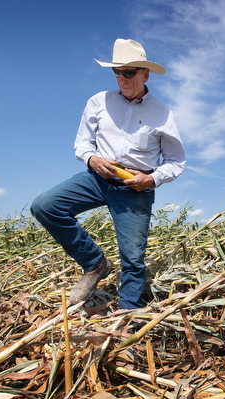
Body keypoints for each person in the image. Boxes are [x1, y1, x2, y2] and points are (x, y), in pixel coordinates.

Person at [31, 39, 185, 310]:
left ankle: (127, 316)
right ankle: (94, 264)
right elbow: (82, 143)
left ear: (145, 74)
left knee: (133, 260)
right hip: (97, 178)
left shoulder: (162, 113)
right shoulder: (98, 101)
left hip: (134, 189)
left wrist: (150, 179)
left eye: (128, 73)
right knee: (45, 206)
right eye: (116, 72)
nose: (121, 79)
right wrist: (92, 158)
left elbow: (175, 161)